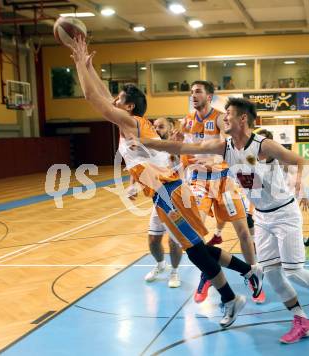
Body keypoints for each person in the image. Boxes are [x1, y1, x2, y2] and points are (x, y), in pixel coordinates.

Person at [69, 37, 264, 328]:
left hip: (171, 192)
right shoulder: (131, 122)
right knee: (196, 247)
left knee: (196, 251)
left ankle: (229, 297)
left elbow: (91, 98)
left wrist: (77, 65)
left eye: (119, 99)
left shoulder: (132, 123)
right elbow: (102, 95)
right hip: (163, 194)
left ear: (129, 106)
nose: (114, 101)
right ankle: (247, 272)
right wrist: (88, 65)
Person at [141, 97, 309, 343]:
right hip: (261, 217)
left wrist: (301, 183)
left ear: (242, 119)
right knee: (271, 275)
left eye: (228, 114)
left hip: (284, 214)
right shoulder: (225, 146)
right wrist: (144, 142)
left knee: (293, 272)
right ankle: (301, 321)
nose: (224, 118)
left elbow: (300, 160)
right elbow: (186, 149)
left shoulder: (264, 146)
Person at [180, 80, 264, 304]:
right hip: (199, 182)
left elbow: (235, 137)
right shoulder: (186, 122)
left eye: (198, 91)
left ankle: (254, 275)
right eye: (191, 92)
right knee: (195, 236)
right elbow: (182, 149)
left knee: (244, 232)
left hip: (224, 181)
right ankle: (207, 274)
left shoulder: (219, 117)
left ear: (209, 97)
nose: (193, 95)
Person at [254, 128, 309, 261]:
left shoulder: (278, 159)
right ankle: (305, 242)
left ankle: (306, 243)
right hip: (265, 202)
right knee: (275, 233)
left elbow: (297, 171)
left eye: (263, 140)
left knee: (283, 232)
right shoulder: (252, 157)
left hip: (283, 200)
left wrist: (304, 194)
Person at [144, 117, 183, 288]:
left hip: (176, 200)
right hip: (159, 199)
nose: (157, 129)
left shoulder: (177, 145)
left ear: (169, 128)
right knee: (153, 241)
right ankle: (161, 265)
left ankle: (174, 272)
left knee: (173, 241)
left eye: (161, 126)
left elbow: (182, 160)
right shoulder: (152, 149)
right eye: (155, 126)